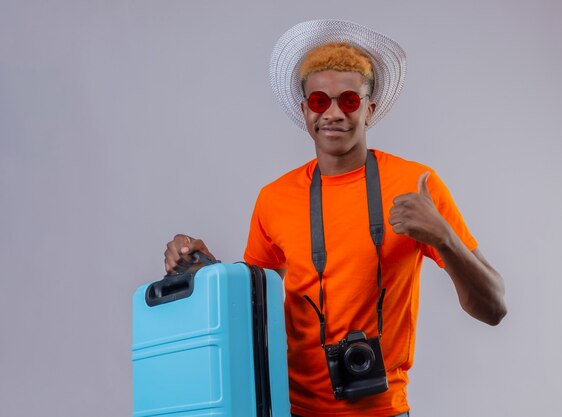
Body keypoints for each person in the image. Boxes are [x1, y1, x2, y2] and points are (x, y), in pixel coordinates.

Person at [164, 20, 506, 417]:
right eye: (318, 101)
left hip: (383, 411)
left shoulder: (415, 185)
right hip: (290, 408)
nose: (333, 113)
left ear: (369, 109)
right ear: (304, 110)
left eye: (348, 100)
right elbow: (256, 310)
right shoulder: (274, 198)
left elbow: (494, 307)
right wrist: (204, 270)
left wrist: (444, 237)